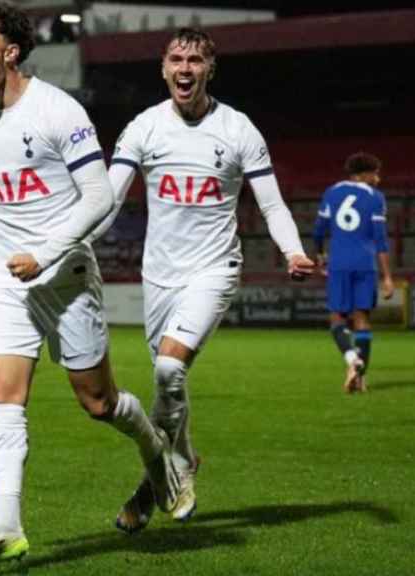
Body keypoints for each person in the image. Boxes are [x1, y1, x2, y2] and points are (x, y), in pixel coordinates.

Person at [0, 1, 184, 568]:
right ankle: (6, 527)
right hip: (3, 278)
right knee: (3, 396)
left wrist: (44, 253)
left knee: (98, 403)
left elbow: (99, 197)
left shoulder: (57, 110)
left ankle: (155, 448)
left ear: (11, 52)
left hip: (64, 275)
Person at [99, 27, 315, 534]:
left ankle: (162, 480)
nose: (185, 68)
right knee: (166, 382)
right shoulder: (144, 128)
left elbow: (272, 203)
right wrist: (72, 241)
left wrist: (293, 250)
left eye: (195, 59)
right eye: (176, 58)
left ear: (209, 69)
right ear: (163, 68)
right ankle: (180, 463)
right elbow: (108, 200)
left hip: (215, 269)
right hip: (160, 276)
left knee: (169, 373)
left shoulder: (239, 130)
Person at [312, 152, 394, 393]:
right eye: (375, 173)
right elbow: (381, 240)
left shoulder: (332, 192)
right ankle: (360, 377)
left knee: (337, 318)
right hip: (365, 264)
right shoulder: (376, 198)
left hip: (338, 263)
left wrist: (320, 255)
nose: (378, 178)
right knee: (362, 320)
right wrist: (387, 276)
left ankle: (351, 360)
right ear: (363, 174)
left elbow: (318, 231)